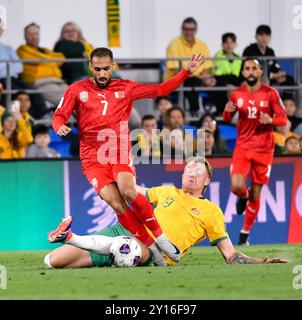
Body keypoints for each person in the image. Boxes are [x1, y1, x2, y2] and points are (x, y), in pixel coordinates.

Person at [52, 47, 204, 265]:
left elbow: (160, 90)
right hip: (92, 158)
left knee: (128, 191)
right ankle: (153, 249)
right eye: (97, 69)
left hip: (117, 148)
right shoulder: (77, 89)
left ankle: (162, 240)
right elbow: (59, 115)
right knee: (116, 203)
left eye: (106, 69)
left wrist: (185, 73)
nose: (102, 74)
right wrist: (59, 127)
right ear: (90, 67)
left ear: (113, 66)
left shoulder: (126, 88)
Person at [45, 157, 287, 269]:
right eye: (189, 168)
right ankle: (90, 248)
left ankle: (96, 247)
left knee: (125, 249)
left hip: (152, 250)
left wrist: (260, 262)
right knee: (53, 261)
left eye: (198, 170)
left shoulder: (212, 211)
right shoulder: (165, 191)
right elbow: (133, 190)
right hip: (127, 229)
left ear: (207, 180)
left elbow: (230, 255)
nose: (191, 172)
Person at [222, 58, 287, 245]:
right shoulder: (236, 94)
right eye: (247, 69)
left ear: (260, 72)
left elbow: (283, 120)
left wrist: (271, 120)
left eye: (254, 69)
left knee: (257, 193)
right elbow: (227, 118)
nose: (250, 72)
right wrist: (226, 112)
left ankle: (244, 234)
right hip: (243, 145)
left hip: (264, 149)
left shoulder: (271, 93)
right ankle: (243, 196)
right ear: (243, 73)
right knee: (236, 186)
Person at [164, 17, 213, 115]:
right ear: (182, 29)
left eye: (191, 29)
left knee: (220, 83)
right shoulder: (174, 44)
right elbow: (177, 71)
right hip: (177, 80)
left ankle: (221, 117)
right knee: (192, 82)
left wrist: (207, 78)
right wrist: (200, 77)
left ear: (196, 30)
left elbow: (206, 68)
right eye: (186, 29)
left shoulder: (202, 44)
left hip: (198, 79)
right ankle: (194, 115)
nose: (189, 32)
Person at [0, 24, 48, 119]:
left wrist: (3, 67)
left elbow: (19, 66)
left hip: (13, 78)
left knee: (32, 89)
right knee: (16, 94)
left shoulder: (8, 49)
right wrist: (8, 66)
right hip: (1, 80)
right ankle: (23, 119)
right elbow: (12, 65)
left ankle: (43, 114)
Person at [17, 23, 68, 106]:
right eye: (30, 34)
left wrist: (44, 60)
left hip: (58, 81)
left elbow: (61, 58)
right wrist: (51, 61)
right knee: (66, 101)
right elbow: (34, 59)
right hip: (41, 82)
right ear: (25, 36)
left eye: (36, 34)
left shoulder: (44, 50)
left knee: (77, 97)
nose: (34, 37)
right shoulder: (22, 50)